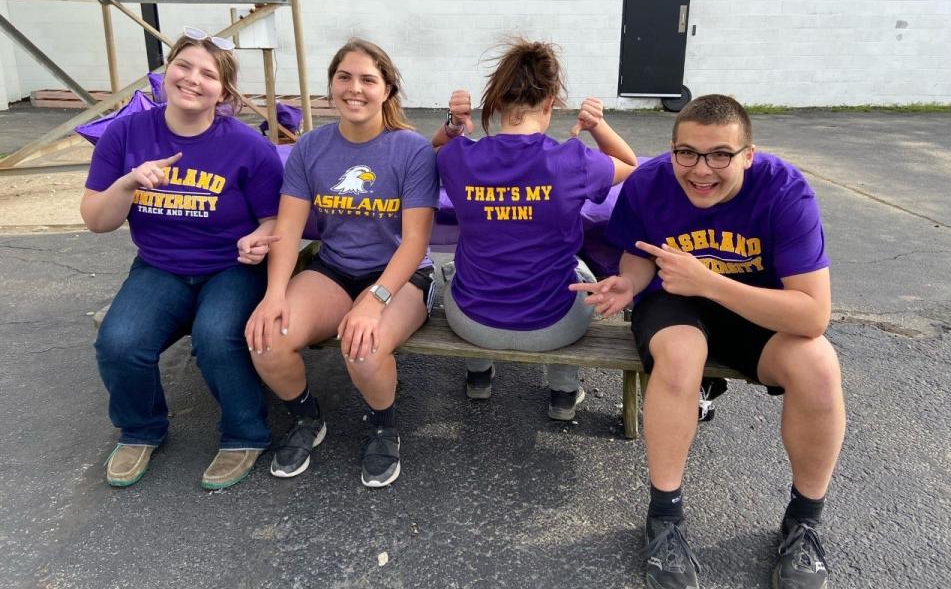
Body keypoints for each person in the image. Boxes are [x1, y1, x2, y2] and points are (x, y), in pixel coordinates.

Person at [572, 94, 844, 589]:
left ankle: (804, 522)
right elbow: (639, 257)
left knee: (819, 366)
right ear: (672, 149)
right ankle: (665, 519)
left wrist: (710, 282)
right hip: (676, 302)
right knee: (679, 356)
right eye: (687, 153)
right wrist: (628, 284)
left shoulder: (785, 191)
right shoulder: (649, 182)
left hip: (754, 305)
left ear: (748, 155)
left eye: (720, 154)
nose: (701, 170)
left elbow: (812, 313)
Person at [82, 28, 284, 490]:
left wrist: (259, 237)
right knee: (119, 342)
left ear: (224, 91)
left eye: (208, 74)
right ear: (166, 71)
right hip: (160, 265)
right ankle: (140, 430)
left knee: (217, 338)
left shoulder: (246, 146)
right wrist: (128, 183)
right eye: (184, 66)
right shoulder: (127, 132)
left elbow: (279, 219)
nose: (193, 80)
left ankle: (244, 435)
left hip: (230, 267)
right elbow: (96, 220)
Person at [245, 38, 438, 488]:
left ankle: (384, 427)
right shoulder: (311, 147)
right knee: (266, 339)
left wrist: (375, 299)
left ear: (387, 89)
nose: (355, 88)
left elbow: (414, 242)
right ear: (331, 85)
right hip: (334, 269)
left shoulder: (410, 150)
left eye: (368, 79)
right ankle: (308, 419)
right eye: (344, 77)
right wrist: (273, 296)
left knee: (363, 347)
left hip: (401, 275)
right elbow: (288, 231)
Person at [432, 39, 637, 420]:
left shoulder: (458, 156)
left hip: (471, 321)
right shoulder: (573, 159)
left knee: (460, 268)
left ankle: (479, 376)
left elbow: (426, 158)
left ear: (495, 101)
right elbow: (629, 164)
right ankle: (562, 393)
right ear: (550, 102)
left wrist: (451, 127)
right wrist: (597, 125)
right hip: (553, 325)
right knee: (579, 272)